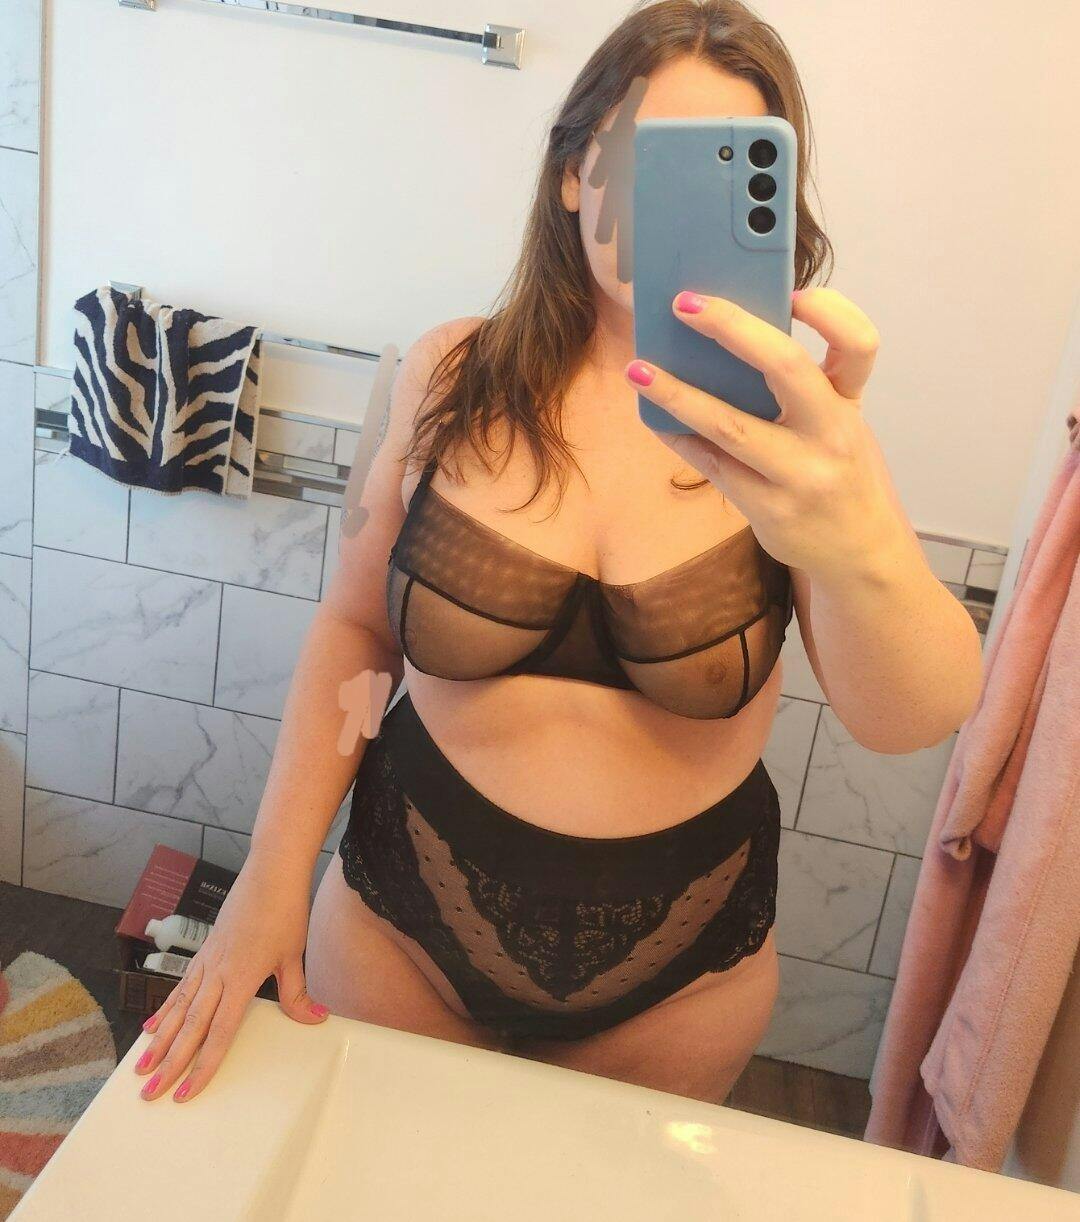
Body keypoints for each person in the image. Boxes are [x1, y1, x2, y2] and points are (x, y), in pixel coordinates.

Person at [132, 0, 983, 1109]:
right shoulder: (450, 374)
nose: (669, 208)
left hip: (678, 970)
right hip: (404, 917)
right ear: (575, 171)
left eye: (717, 172)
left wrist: (856, 535)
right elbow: (358, 629)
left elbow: (912, 715)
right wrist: (270, 876)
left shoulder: (794, 436)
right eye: (647, 161)